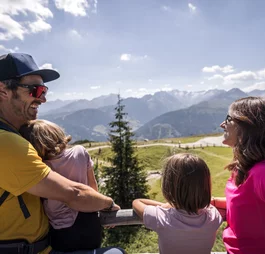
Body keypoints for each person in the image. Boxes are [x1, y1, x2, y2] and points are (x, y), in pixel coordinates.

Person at [0, 53, 125, 254]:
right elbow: (74, 194)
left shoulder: (13, 136)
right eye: (34, 90)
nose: (43, 98)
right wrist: (109, 203)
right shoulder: (5, 143)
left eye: (44, 89)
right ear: (3, 90)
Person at [19, 119, 102, 252]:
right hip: (90, 222)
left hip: (61, 231)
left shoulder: (42, 167)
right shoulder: (80, 152)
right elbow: (93, 189)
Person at [132, 153, 222, 254]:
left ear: (168, 187)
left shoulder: (162, 217)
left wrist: (165, 205)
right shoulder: (213, 215)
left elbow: (137, 202)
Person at [212, 96, 265, 254]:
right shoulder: (243, 168)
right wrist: (211, 202)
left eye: (228, 118)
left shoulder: (261, 173)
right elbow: (251, 207)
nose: (222, 124)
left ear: (246, 125)